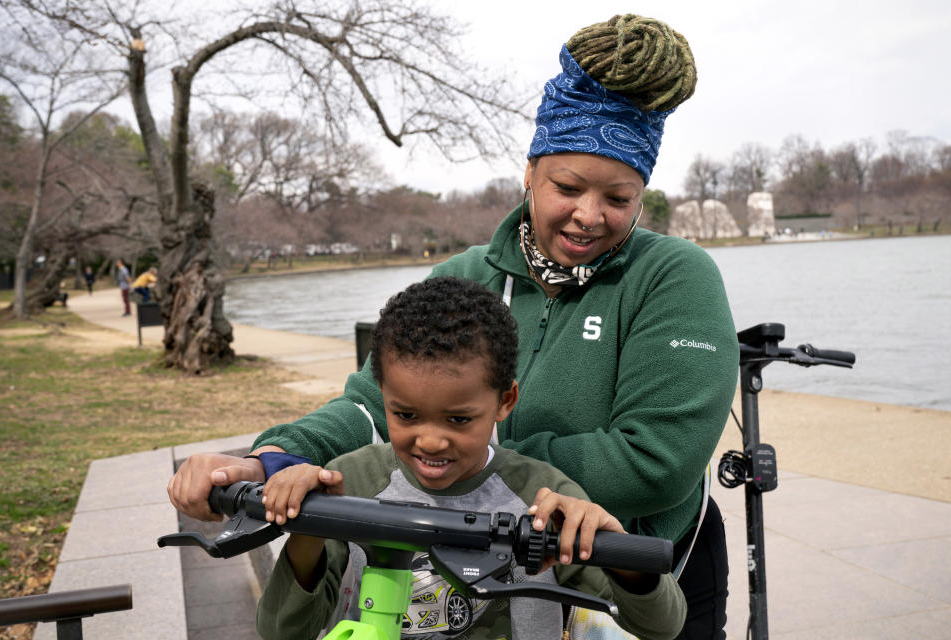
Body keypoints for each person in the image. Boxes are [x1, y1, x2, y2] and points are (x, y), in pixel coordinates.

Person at [169, 13, 738, 639]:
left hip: (637, 567)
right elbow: (369, 405)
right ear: (530, 172)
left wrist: (475, 457)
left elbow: (657, 463)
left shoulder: (674, 275)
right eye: (567, 186)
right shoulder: (464, 274)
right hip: (480, 556)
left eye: (619, 199)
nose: (588, 216)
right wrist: (271, 461)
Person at [254, 277, 686, 639]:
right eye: (405, 415)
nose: (431, 442)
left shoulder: (544, 499)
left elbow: (663, 626)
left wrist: (613, 548)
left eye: (458, 419)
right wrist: (306, 527)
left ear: (505, 401)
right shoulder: (349, 481)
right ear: (382, 395)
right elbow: (281, 631)